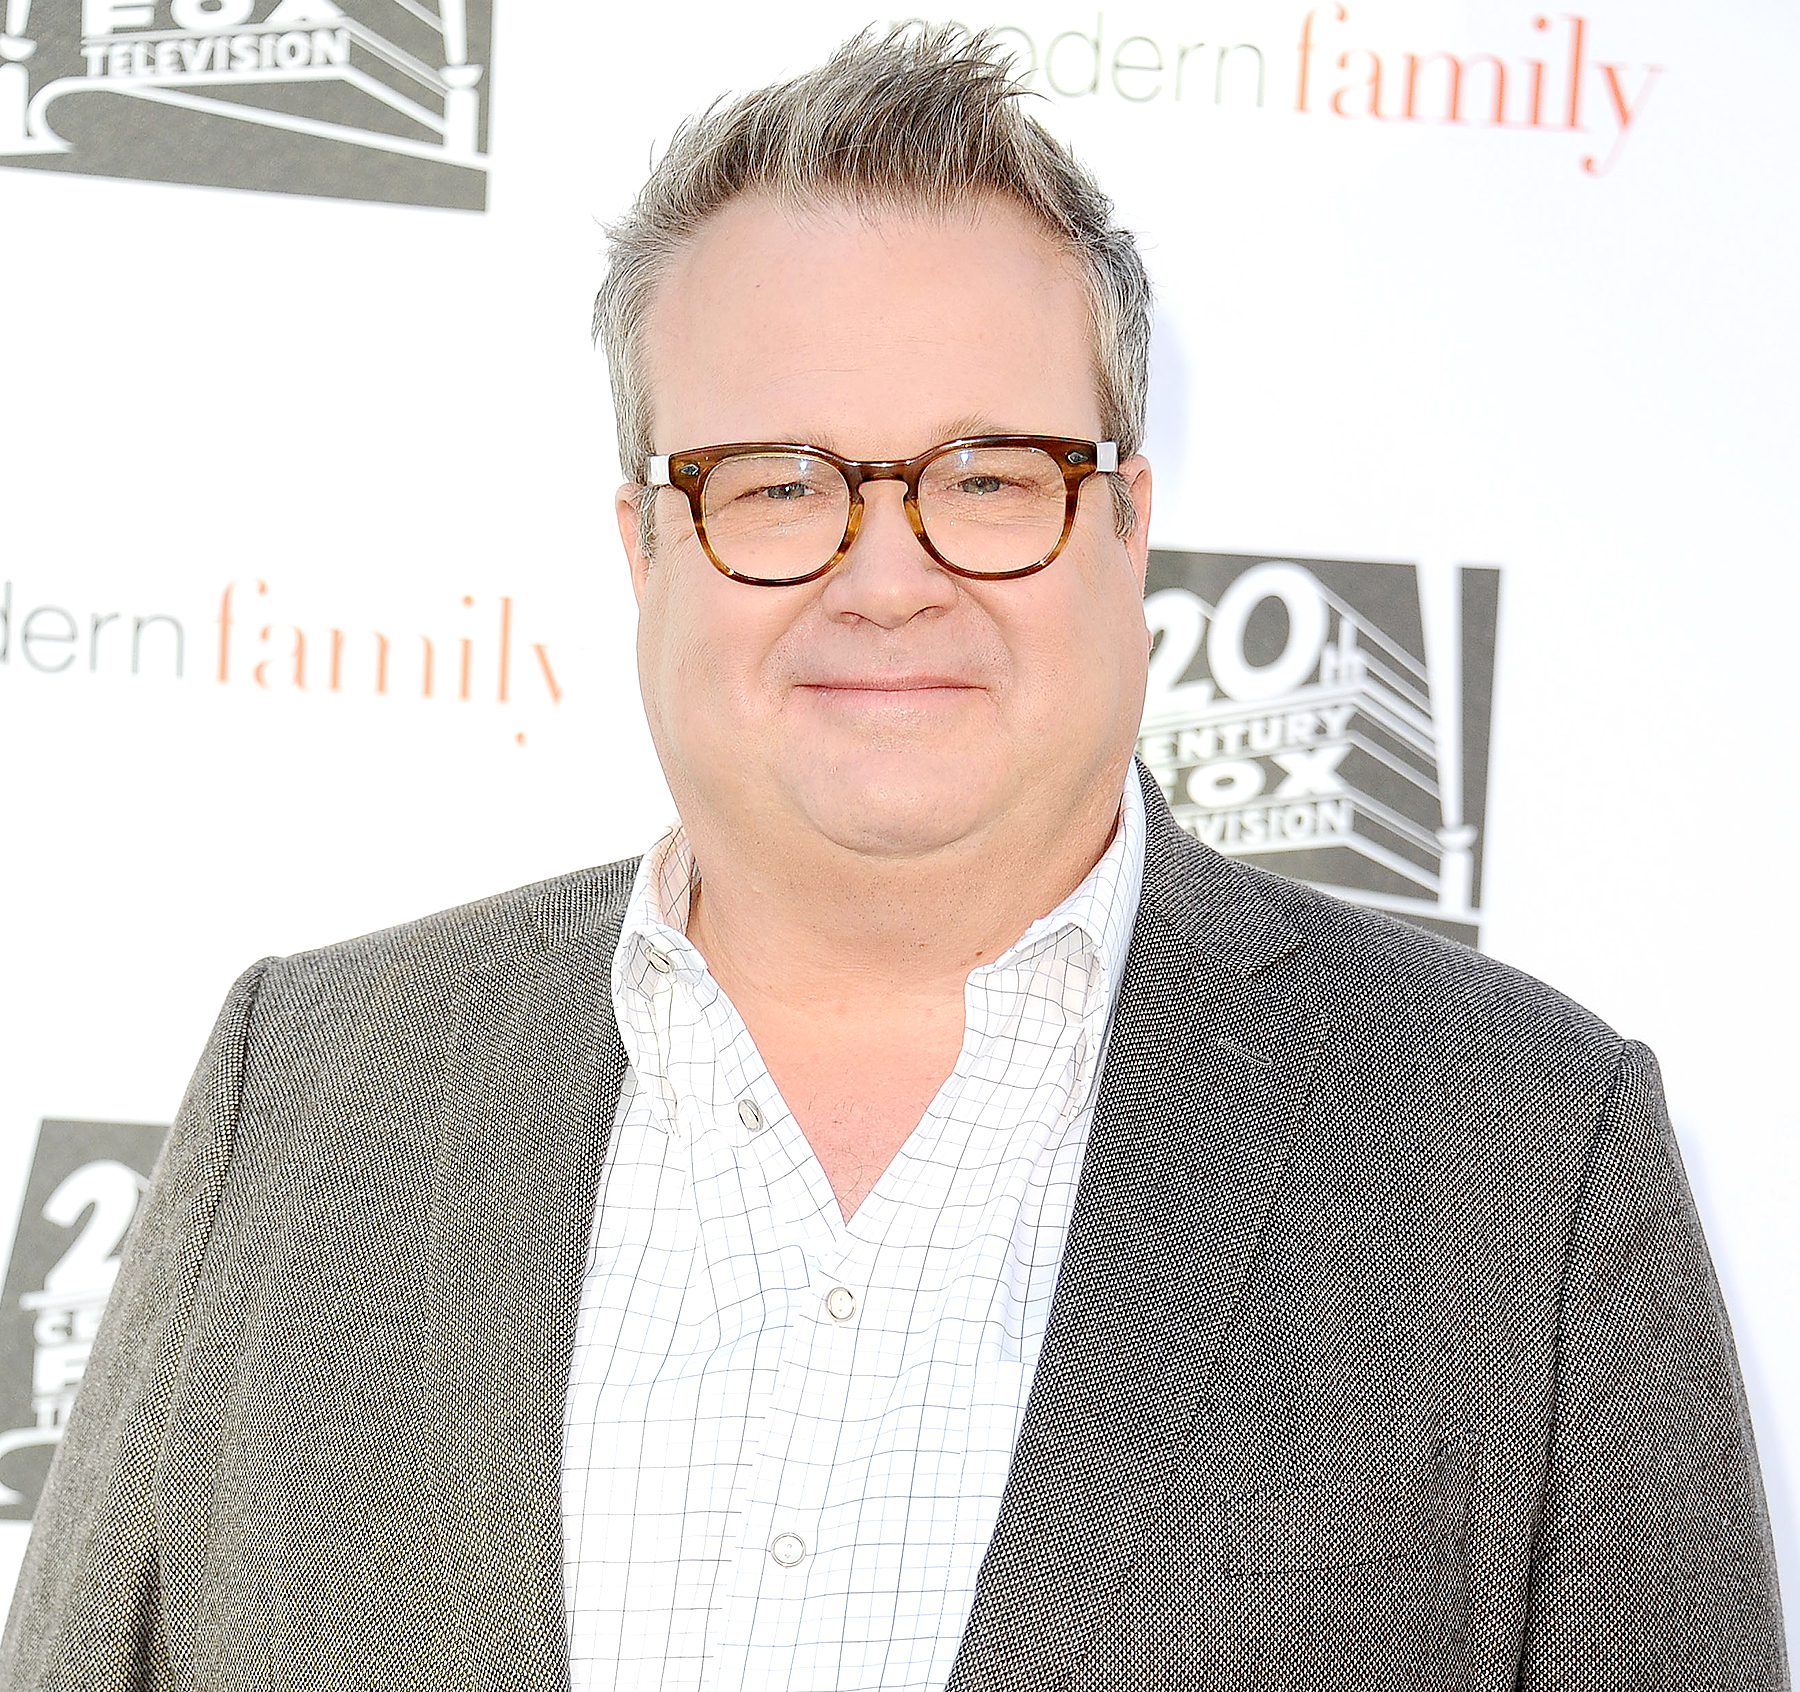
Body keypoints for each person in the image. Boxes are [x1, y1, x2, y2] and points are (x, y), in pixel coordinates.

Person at [2, 25, 1786, 1692]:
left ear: (1129, 527)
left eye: (990, 476)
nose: (888, 573)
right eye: (777, 482)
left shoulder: (1527, 1155)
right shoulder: (305, 1092)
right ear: (644, 549)